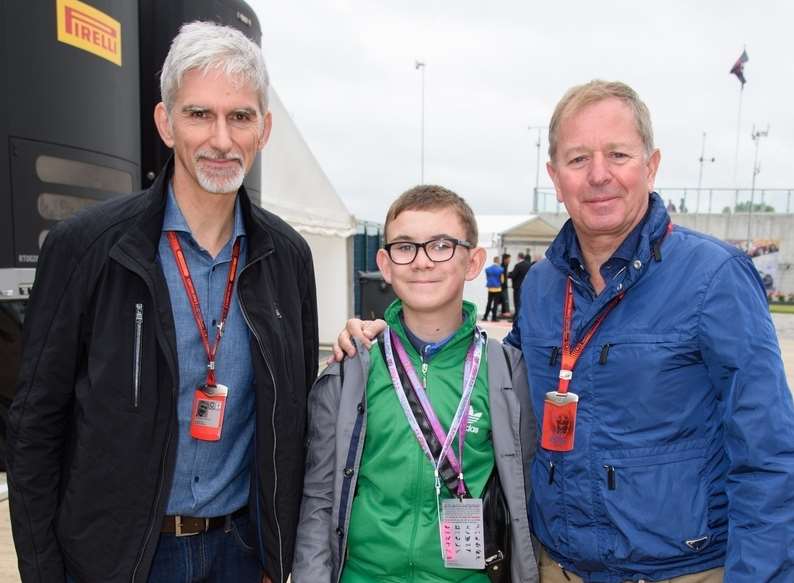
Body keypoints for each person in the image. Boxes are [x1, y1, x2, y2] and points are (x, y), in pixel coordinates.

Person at [333, 80, 794, 582]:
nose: (599, 175)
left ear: (652, 165)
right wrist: (388, 338)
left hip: (680, 571)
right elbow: (493, 375)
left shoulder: (713, 277)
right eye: (578, 160)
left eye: (617, 154)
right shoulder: (545, 285)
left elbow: (769, 453)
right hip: (559, 569)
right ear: (555, 177)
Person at [7, 21, 318, 583]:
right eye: (199, 114)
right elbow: (34, 428)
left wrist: (277, 553)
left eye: (240, 116)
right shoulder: (89, 247)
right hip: (120, 559)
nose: (221, 139)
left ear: (264, 130)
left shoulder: (287, 258)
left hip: (241, 555)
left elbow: (290, 423)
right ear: (165, 123)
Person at [293, 185, 538, 583]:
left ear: (473, 261)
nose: (422, 262)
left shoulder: (506, 372)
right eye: (405, 247)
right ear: (385, 265)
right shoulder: (351, 369)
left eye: (441, 245)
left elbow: (526, 497)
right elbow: (319, 502)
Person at [508, 253, 532, 319]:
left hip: (517, 287)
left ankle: (516, 317)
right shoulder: (529, 265)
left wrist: (508, 274)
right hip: (526, 287)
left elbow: (513, 275)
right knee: (524, 302)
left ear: (519, 257)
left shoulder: (518, 265)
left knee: (517, 302)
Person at [484, 256, 504, 321]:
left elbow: (487, 278)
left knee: (489, 302)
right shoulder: (501, 269)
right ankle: (494, 318)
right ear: (498, 261)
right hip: (497, 288)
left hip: (490, 288)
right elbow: (502, 280)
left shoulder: (488, 269)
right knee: (495, 304)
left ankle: (485, 317)